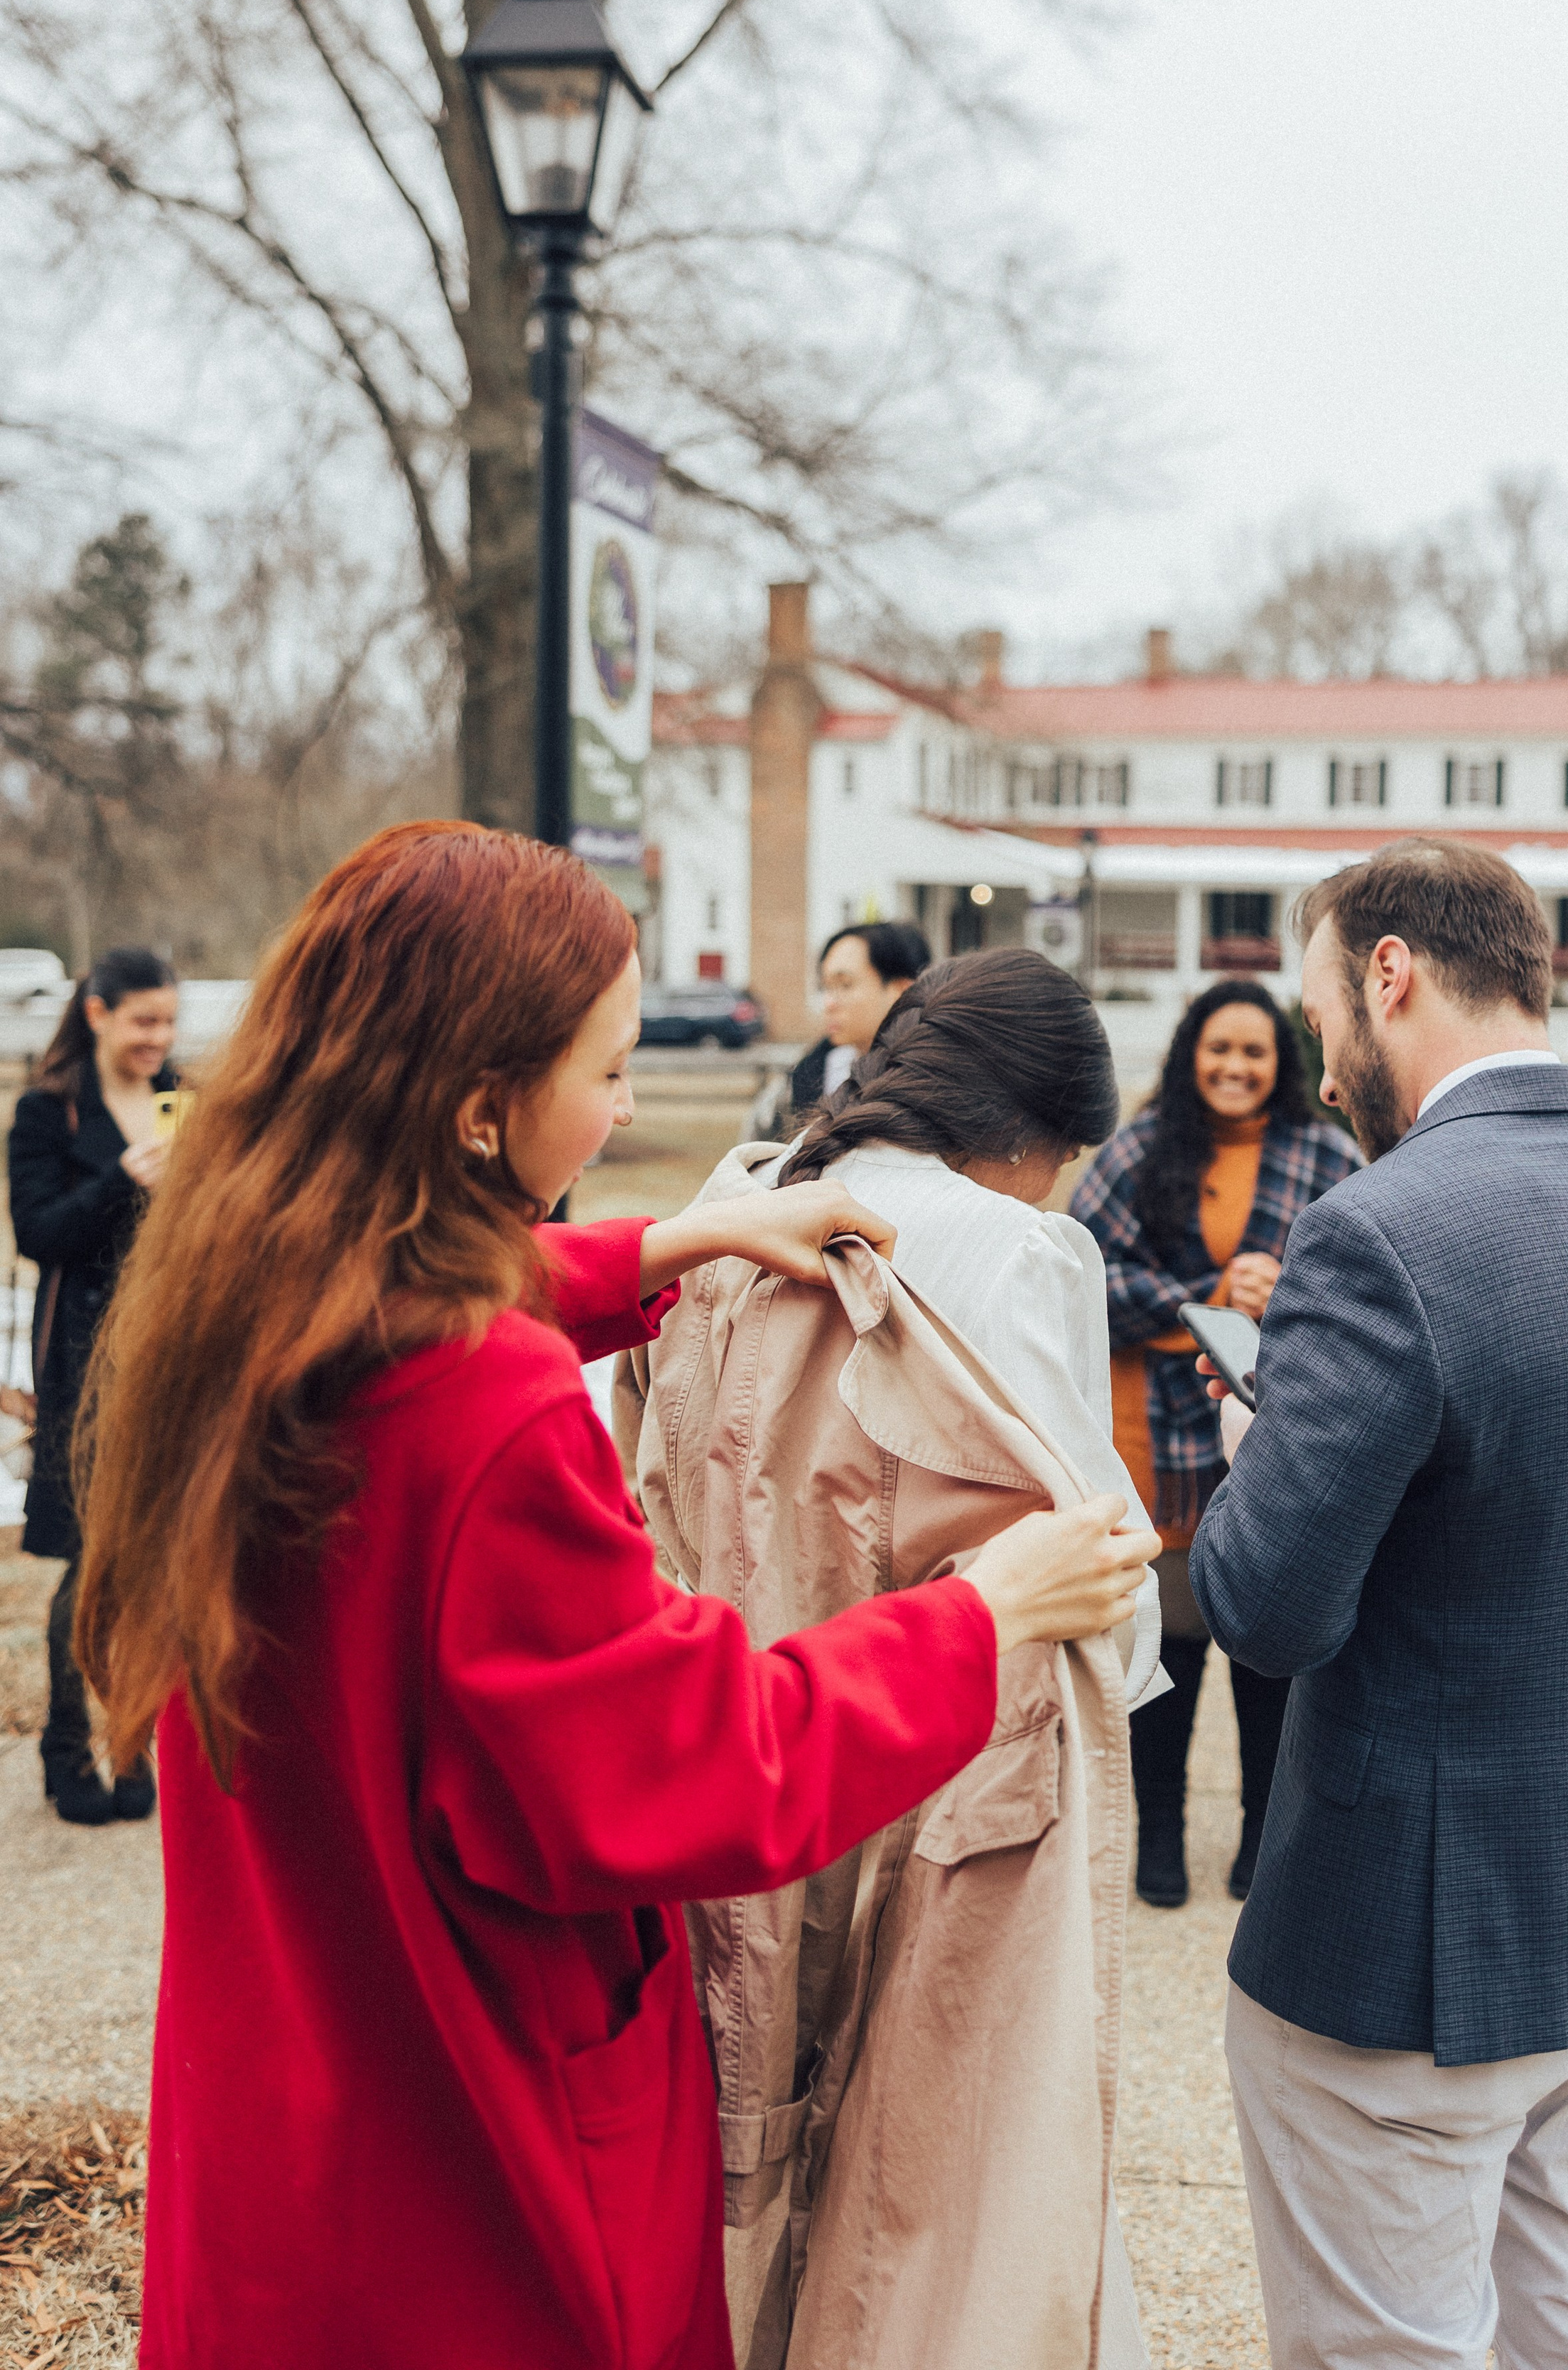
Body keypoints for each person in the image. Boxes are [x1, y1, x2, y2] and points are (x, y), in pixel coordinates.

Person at [73, 823, 1152, 2370]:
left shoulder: (238, 1289)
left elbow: (403, 1302)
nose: (632, 1107)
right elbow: (711, 1759)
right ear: (476, 1105)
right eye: (611, 1071)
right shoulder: (489, 1418)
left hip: (286, 2118)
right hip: (470, 2185)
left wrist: (667, 1238)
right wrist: (984, 1616)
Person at [1190, 839, 1568, 2370]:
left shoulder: (1375, 1232)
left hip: (1403, 1949)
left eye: (1316, 1020)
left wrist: (1254, 1448)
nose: (1316, 1071)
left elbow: (1265, 1609)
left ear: (1388, 974)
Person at [770, 943, 1163, 2369]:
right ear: (1039, 1135)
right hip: (957, 1732)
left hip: (759, 1705)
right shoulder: (1015, 1249)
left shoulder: (746, 1198)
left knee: (759, 2111)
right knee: (950, 2164)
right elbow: (1085, 1540)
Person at [1070, 980, 1357, 1907]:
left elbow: (1367, 1291)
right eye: (1219, 1049)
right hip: (1154, 1444)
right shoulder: (1138, 1151)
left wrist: (1288, 1296)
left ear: (1284, 1066)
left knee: (1269, 1653)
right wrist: (1202, 1298)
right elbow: (1078, 1277)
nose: (1235, 1067)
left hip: (1282, 1441)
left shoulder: (1327, 1156)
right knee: (1172, 1649)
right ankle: (1159, 1842)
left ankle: (1261, 1846)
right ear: (1192, 1053)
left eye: (1255, 1052)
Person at [9, 946, 178, 1825]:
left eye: (170, 1023)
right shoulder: (48, 1112)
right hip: (81, 1368)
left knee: (156, 1563)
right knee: (91, 1562)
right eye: (145, 1020)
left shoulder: (173, 1096)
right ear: (98, 1012)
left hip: (168, 1356)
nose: (160, 1039)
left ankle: (135, 1745)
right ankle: (68, 1750)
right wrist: (124, 1180)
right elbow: (38, 1232)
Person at [788, 919, 930, 1112]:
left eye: (845, 985)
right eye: (826, 987)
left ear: (902, 991)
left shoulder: (932, 1082)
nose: (829, 1004)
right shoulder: (815, 1074)